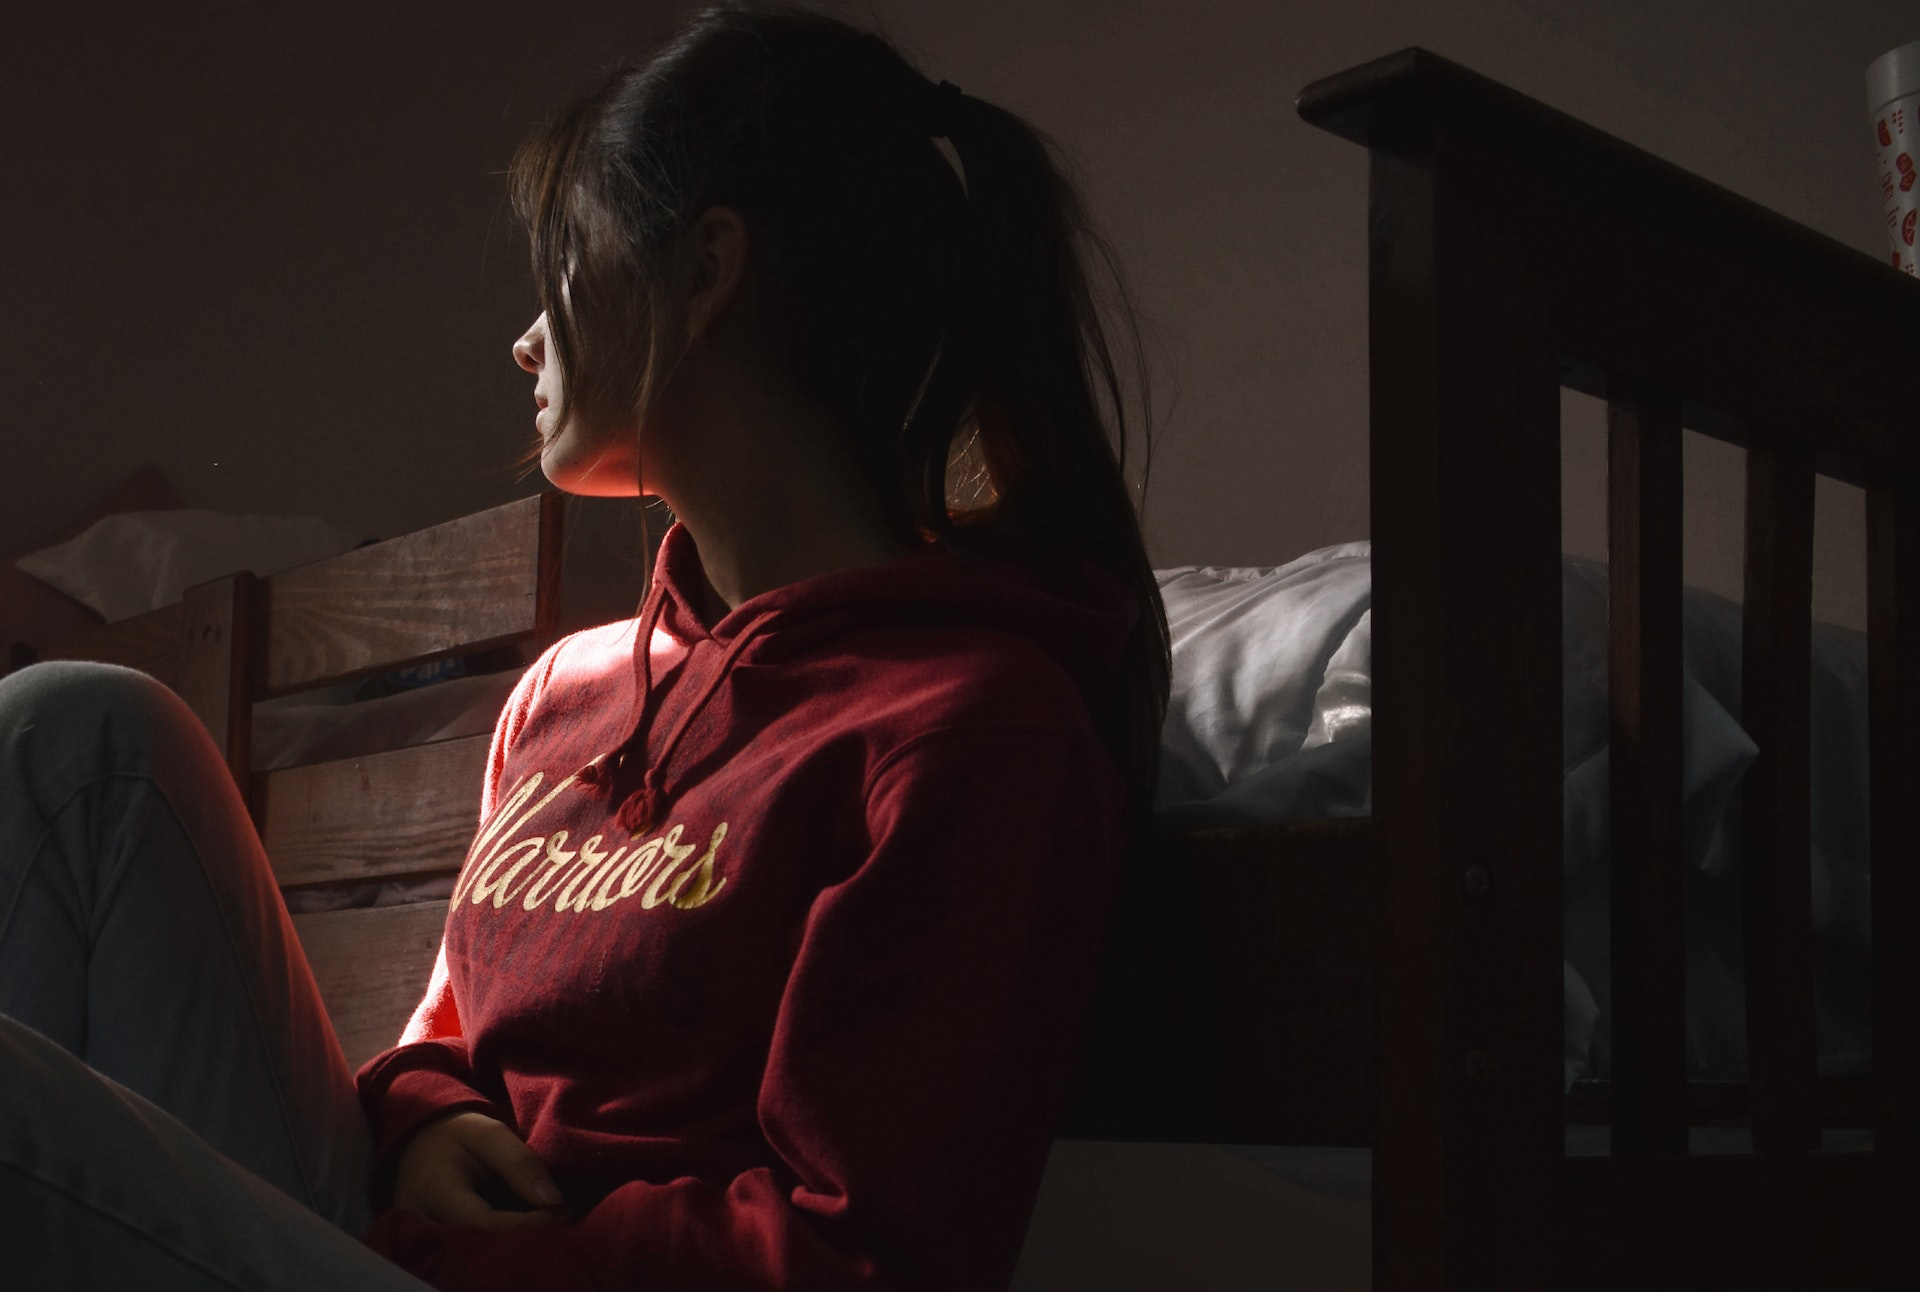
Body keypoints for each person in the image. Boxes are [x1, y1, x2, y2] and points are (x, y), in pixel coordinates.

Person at [0, 4, 1168, 1289]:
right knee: (80, 730)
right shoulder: (566, 689)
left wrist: (481, 1247)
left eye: (566, 259)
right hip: (400, 1247)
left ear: (705, 271)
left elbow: (857, 1252)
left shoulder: (965, 724)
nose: (523, 338)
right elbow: (445, 1035)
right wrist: (424, 1111)